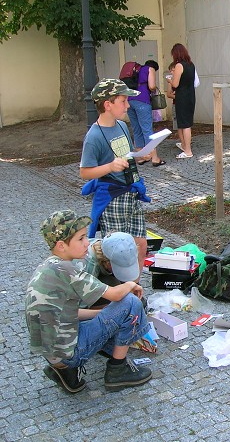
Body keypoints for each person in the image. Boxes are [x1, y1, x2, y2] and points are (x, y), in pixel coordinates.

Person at [25, 210, 152, 393]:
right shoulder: (71, 270)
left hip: (54, 353)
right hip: (70, 351)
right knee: (131, 302)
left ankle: (65, 371)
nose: (87, 242)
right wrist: (131, 284)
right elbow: (117, 295)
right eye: (81, 238)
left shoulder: (48, 266)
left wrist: (103, 314)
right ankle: (118, 370)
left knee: (115, 311)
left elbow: (68, 312)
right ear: (61, 245)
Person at [80, 78, 151, 282]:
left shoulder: (121, 125)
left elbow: (125, 154)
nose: (127, 105)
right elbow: (85, 172)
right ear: (107, 104)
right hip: (113, 199)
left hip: (131, 193)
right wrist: (110, 167)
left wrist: (140, 155)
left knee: (140, 245)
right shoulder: (94, 136)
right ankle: (120, 292)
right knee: (118, 251)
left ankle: (135, 289)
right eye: (123, 101)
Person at [127, 60, 165, 167]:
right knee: (147, 129)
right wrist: (153, 90)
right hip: (142, 100)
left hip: (129, 100)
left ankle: (141, 158)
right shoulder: (150, 69)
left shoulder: (136, 70)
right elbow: (152, 86)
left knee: (136, 129)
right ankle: (155, 158)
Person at [166, 43, 196, 159]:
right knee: (187, 123)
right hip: (190, 96)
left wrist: (169, 81)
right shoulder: (191, 65)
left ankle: (187, 150)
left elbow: (175, 84)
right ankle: (186, 147)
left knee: (184, 124)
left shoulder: (179, 65)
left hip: (182, 97)